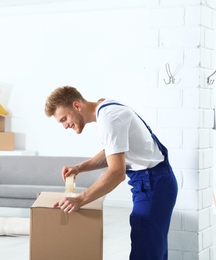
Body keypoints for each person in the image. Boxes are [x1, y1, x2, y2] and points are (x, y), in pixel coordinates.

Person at [44, 86, 178, 260]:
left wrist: (79, 200)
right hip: (155, 181)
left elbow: (116, 173)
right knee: (152, 248)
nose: (65, 126)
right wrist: (80, 167)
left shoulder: (109, 118)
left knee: (145, 251)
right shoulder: (106, 107)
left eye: (64, 118)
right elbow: (113, 150)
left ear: (77, 106)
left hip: (152, 183)